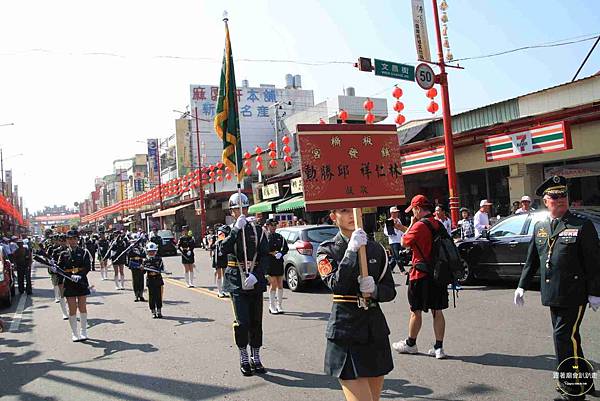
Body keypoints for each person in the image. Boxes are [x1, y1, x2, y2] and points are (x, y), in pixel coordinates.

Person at [515, 175, 600, 400]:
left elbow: (594, 261)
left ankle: (572, 389)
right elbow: (532, 258)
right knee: (570, 338)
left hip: (575, 293)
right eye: (554, 196)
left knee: (563, 338)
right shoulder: (541, 225)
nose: (560, 200)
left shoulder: (582, 224)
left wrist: (595, 292)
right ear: (545, 201)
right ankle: (585, 382)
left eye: (563, 196)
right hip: (552, 293)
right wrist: (522, 285)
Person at [317, 208, 396, 401]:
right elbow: (337, 285)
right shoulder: (327, 249)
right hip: (346, 331)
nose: (351, 215)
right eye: (344, 211)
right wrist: (351, 252)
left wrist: (375, 290)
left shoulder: (376, 248)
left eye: (355, 210)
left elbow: (390, 291)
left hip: (373, 330)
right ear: (333, 217)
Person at [393, 194, 449, 359]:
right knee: (437, 311)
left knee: (415, 311)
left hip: (420, 274)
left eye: (413, 210)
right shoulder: (438, 224)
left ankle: (411, 343)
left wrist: (409, 225)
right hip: (438, 274)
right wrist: (405, 228)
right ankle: (439, 348)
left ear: (417, 209)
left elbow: (404, 242)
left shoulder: (417, 226)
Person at [221, 192, 269, 376]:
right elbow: (222, 249)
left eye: (243, 207)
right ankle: (243, 355)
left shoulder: (257, 230)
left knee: (256, 321)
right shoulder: (226, 230)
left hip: (254, 279)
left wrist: (258, 274)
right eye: (236, 208)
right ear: (231, 211)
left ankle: (256, 356)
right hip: (236, 280)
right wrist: (234, 231)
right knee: (242, 322)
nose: (240, 211)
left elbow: (265, 255)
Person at [56, 229, 92, 342]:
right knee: (72, 309)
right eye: (70, 239)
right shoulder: (63, 254)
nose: (72, 241)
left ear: (78, 239)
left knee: (82, 307)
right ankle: (74, 333)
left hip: (81, 282)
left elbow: (87, 266)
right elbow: (60, 268)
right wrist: (54, 269)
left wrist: (80, 275)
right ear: (67, 241)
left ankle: (83, 331)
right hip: (69, 282)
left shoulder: (84, 252)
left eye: (74, 239)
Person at [264, 218, 289, 315]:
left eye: (275, 225)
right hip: (269, 263)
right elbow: (262, 250)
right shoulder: (265, 237)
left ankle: (279, 305)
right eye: (271, 225)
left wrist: (281, 254)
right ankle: (272, 305)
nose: (273, 227)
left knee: (280, 284)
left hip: (278, 262)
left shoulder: (280, 237)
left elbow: (285, 248)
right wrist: (271, 253)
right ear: (267, 226)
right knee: (273, 283)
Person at [383, 206, 408, 275]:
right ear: (391, 213)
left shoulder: (398, 220)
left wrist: (404, 235)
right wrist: (391, 233)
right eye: (394, 212)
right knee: (397, 256)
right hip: (393, 241)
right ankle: (402, 270)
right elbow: (385, 232)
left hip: (399, 240)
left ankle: (390, 268)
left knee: (395, 256)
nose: (396, 213)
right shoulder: (389, 221)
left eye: (397, 212)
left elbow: (401, 229)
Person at [143, 242, 165, 318]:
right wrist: (142, 268)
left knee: (158, 296)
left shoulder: (159, 259)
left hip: (158, 279)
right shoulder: (145, 260)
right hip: (150, 279)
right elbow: (143, 272)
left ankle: (159, 310)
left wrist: (156, 268)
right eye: (150, 251)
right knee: (151, 296)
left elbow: (162, 268)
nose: (151, 253)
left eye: (153, 251)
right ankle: (153, 311)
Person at [127, 234, 146, 302]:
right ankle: (136, 295)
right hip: (134, 265)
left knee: (141, 280)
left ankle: (141, 295)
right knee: (135, 281)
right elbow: (128, 255)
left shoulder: (141, 248)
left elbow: (144, 255)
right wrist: (131, 248)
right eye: (133, 241)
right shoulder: (130, 248)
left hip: (140, 264)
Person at [213, 225, 231, 298]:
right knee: (219, 274)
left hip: (224, 256)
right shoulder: (215, 238)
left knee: (225, 274)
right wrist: (216, 243)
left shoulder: (226, 237)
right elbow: (211, 246)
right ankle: (219, 291)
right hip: (217, 257)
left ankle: (224, 290)